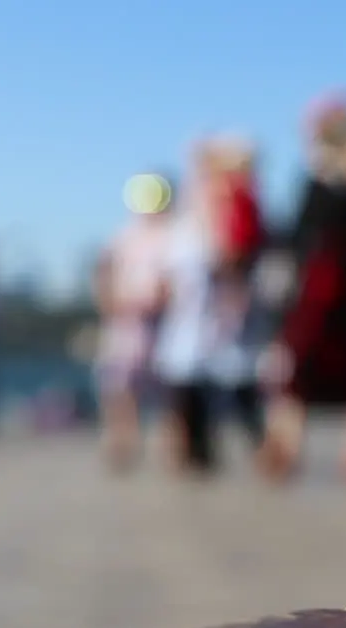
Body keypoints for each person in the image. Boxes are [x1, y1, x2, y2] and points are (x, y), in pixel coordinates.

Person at [258, 92, 346, 485]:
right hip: (314, 284)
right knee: (300, 367)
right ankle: (286, 446)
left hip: (344, 283)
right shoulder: (315, 171)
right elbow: (296, 232)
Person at [153, 145, 265, 476]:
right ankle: (195, 452)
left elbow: (237, 258)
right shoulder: (189, 218)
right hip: (192, 320)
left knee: (238, 387)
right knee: (188, 389)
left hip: (222, 318)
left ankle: (260, 451)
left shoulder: (235, 210)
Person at [94, 174, 176, 472]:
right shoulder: (125, 234)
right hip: (126, 323)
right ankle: (124, 441)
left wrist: (159, 301)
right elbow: (104, 269)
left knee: (167, 391)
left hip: (161, 325)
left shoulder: (173, 234)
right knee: (119, 386)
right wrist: (110, 302)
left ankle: (171, 446)